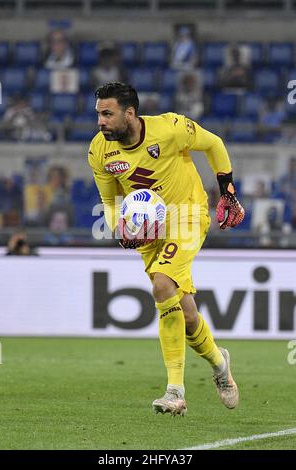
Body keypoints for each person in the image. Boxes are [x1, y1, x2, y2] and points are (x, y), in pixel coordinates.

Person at [88, 82, 245, 416]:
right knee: (186, 315)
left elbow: (213, 143)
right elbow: (109, 201)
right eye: (98, 114)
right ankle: (220, 365)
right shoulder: (99, 151)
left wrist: (227, 190)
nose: (100, 121)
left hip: (188, 215)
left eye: (107, 114)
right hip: (150, 233)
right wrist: (121, 228)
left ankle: (175, 392)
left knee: (162, 285)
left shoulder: (171, 128)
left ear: (129, 113)